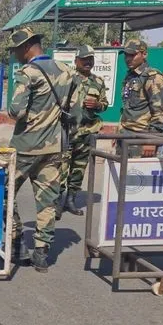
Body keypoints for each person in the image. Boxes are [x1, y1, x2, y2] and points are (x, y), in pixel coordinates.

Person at [5, 26, 77, 272]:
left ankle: (16, 244)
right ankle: (42, 253)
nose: (14, 55)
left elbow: (17, 111)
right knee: (47, 201)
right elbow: (74, 112)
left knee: (3, 191)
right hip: (54, 147)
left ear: (26, 47)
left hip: (25, 147)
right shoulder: (67, 71)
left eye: (16, 50)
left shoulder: (28, 72)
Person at [57, 45, 108, 219]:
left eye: (91, 59)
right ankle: (57, 201)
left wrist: (98, 105)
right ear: (76, 60)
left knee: (78, 169)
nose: (88, 62)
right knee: (61, 168)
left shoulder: (98, 81)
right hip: (67, 132)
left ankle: (70, 200)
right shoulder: (66, 79)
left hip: (87, 133)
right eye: (84, 59)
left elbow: (105, 105)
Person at [118, 39, 163, 158]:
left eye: (133, 55)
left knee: (136, 175)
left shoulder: (153, 77)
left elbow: (159, 112)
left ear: (144, 54)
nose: (128, 58)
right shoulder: (130, 76)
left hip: (141, 138)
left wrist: (151, 141)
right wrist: (118, 131)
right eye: (126, 55)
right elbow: (127, 107)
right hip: (125, 135)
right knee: (120, 174)